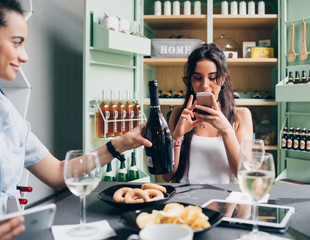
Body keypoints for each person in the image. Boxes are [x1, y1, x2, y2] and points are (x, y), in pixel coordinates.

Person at [0, 1, 152, 238]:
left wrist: (119, 144)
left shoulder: (8, 112)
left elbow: (59, 173)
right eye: (17, 42)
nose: (25, 56)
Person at [162, 43, 253, 183]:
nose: (204, 85)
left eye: (212, 77)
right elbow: (167, 177)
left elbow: (244, 175)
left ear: (223, 79)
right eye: (198, 78)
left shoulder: (241, 115)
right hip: (187, 200)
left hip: (226, 200)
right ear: (190, 81)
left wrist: (226, 129)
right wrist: (178, 136)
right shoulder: (178, 115)